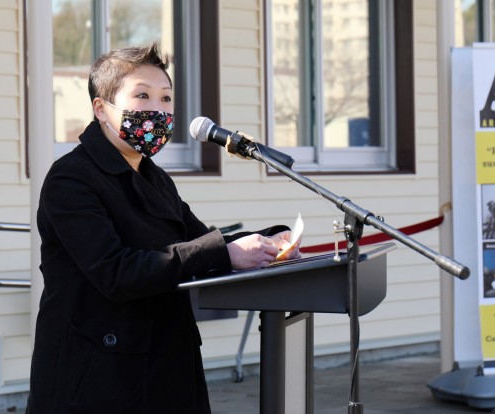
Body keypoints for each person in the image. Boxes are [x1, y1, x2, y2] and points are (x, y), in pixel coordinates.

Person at [26, 44, 301, 414]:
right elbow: (115, 272)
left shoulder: (154, 178)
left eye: (166, 98)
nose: (157, 109)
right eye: (142, 95)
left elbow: (199, 243)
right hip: (97, 378)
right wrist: (224, 251)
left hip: (165, 370)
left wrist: (267, 244)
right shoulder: (71, 179)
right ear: (101, 108)